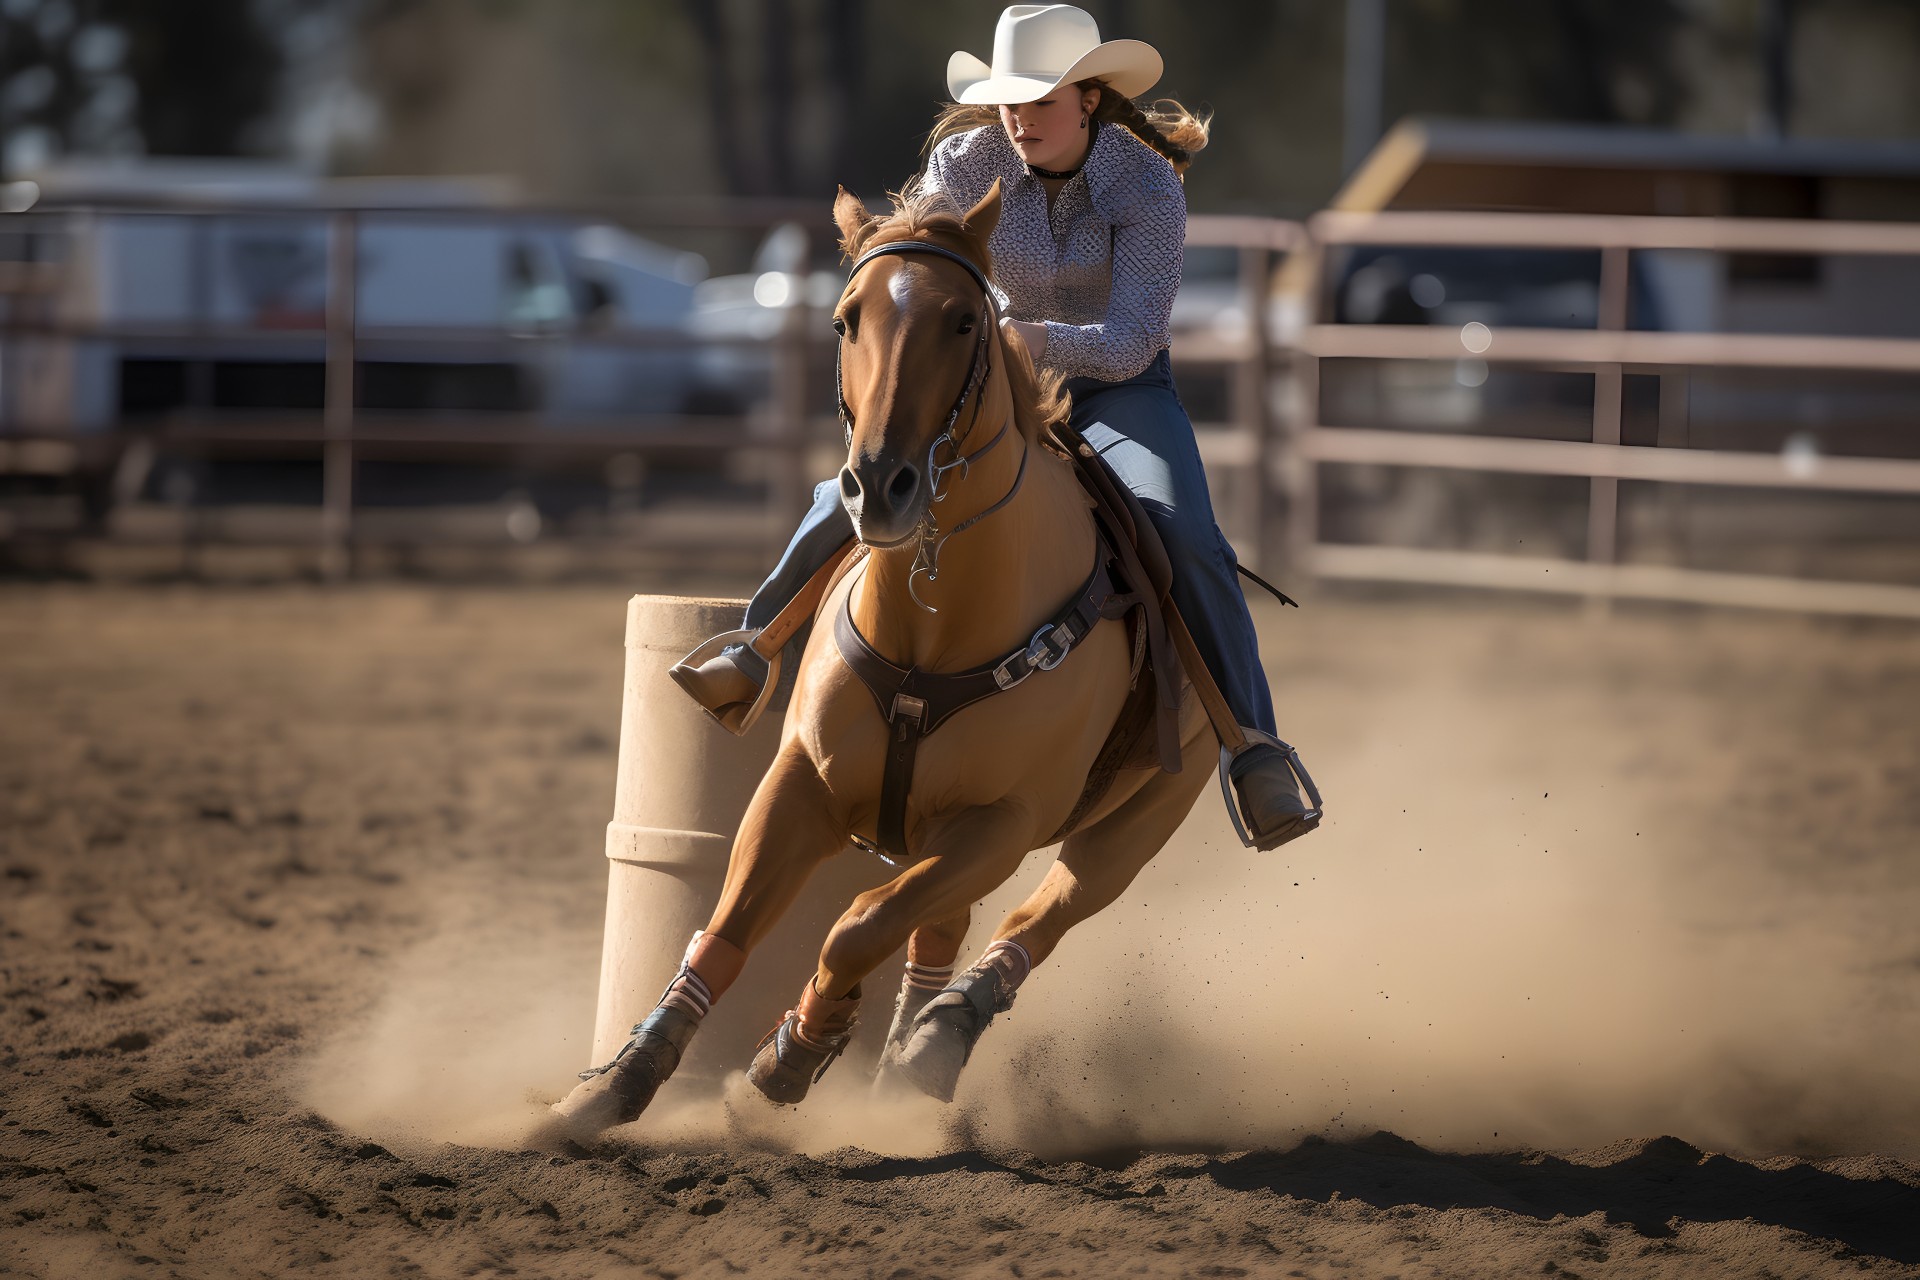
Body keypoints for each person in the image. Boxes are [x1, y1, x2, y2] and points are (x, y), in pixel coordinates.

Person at [675, 3, 1318, 849]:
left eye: (1041, 100)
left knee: (1185, 533)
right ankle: (755, 648)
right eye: (1010, 100)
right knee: (859, 483)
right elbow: (918, 257)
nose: (1019, 119)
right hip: (986, 384)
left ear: (1089, 98)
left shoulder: (1147, 182)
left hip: (1116, 391)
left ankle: (1252, 746)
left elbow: (1131, 341)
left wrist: (1032, 338)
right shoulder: (964, 158)